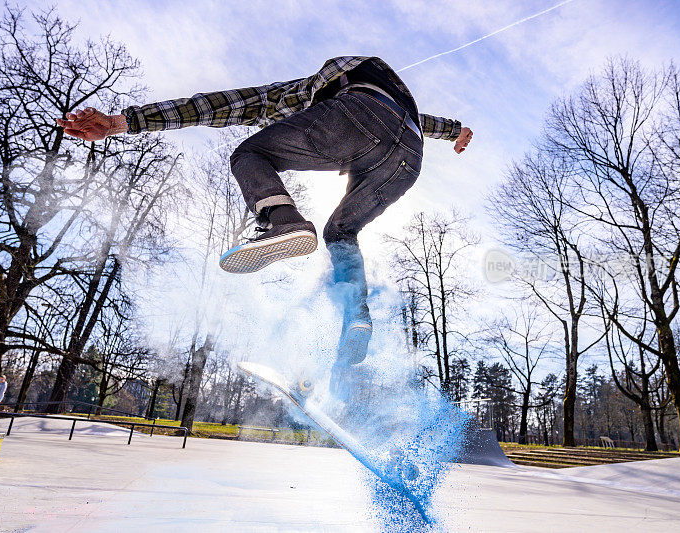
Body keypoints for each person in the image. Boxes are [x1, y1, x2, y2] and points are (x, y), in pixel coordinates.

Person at [56, 56, 472, 393]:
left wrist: (119, 123)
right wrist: (455, 131)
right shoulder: (393, 91)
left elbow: (217, 105)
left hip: (356, 116)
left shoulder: (300, 93)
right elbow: (415, 117)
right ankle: (356, 317)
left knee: (250, 155)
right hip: (409, 154)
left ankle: (284, 220)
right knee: (341, 232)